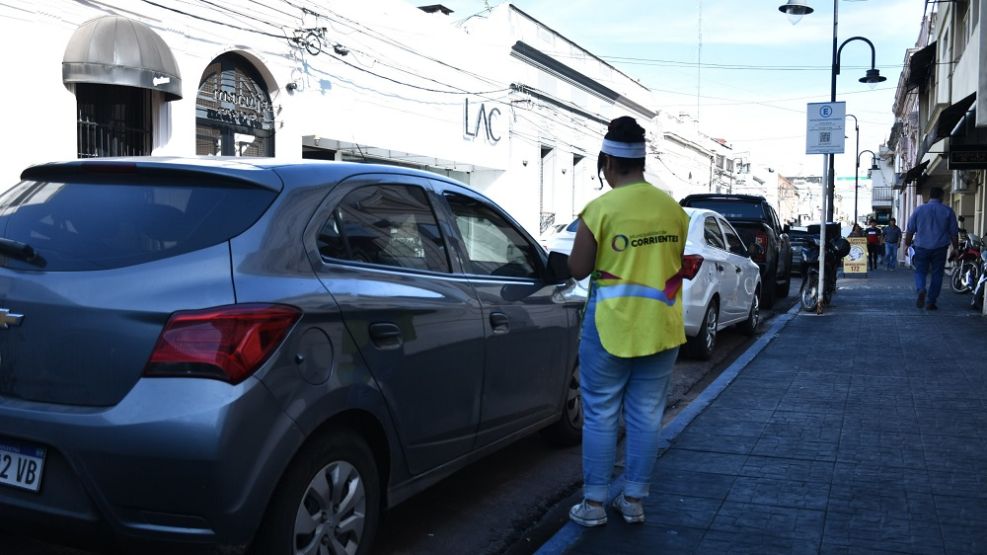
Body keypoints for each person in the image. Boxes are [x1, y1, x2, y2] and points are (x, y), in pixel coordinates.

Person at [566, 116, 689, 527]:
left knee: (600, 413)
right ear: (640, 162)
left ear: (607, 163)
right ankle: (634, 500)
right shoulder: (673, 209)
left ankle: (595, 505)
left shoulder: (600, 209)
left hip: (610, 329)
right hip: (662, 328)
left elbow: (579, 269)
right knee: (646, 414)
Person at [905, 187, 959, 310]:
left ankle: (921, 289)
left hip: (921, 247)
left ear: (930, 196)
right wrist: (955, 248)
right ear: (941, 196)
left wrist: (907, 245)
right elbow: (953, 233)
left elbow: (910, 230)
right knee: (937, 274)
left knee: (920, 271)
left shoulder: (919, 210)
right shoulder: (948, 211)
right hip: (940, 248)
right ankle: (931, 301)